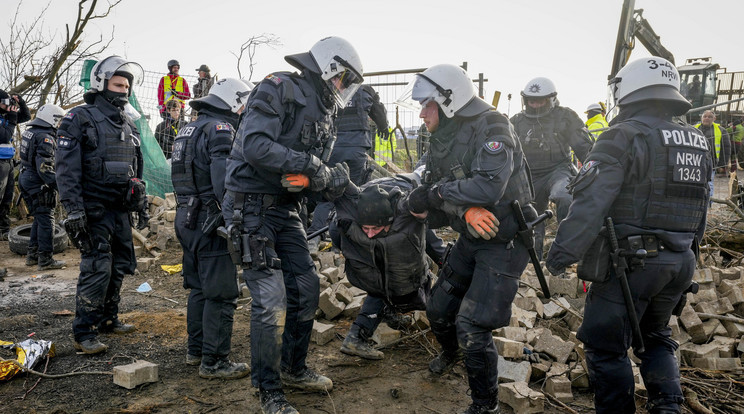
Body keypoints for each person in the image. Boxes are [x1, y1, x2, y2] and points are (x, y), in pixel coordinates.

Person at [546, 57, 712, 414]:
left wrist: (560, 253)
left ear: (627, 92)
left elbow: (590, 204)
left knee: (606, 349)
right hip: (680, 262)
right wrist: (689, 253)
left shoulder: (622, 135)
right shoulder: (697, 140)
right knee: (655, 336)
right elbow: (702, 208)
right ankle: (668, 407)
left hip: (632, 265)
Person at [222, 36, 363, 414]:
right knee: (270, 301)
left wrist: (321, 177)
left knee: (307, 286)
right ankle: (269, 391)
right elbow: (255, 145)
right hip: (249, 206)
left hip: (286, 210)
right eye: (344, 78)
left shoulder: (326, 111)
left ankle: (293, 369)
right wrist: (310, 167)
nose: (344, 88)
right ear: (329, 68)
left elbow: (310, 174)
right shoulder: (278, 87)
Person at [404, 64, 535, 414]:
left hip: (504, 239)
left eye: (426, 105)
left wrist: (435, 194)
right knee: (438, 308)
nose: (421, 113)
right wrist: (439, 203)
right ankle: (451, 353)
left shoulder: (493, 125)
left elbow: (489, 187)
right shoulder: (441, 137)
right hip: (470, 236)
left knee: (473, 325)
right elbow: (437, 200)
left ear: (448, 101)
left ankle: (484, 405)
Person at [56, 55, 149, 355]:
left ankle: (109, 318)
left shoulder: (129, 123)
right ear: (101, 83)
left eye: (126, 86)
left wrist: (141, 202)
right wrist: (74, 209)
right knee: (97, 267)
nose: (123, 90)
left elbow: (138, 168)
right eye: (118, 83)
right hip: (92, 208)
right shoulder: (78, 118)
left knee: (120, 264)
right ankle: (84, 332)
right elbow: (66, 169)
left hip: (120, 208)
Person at [171, 78, 253, 379]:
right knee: (220, 293)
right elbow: (224, 182)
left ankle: (197, 351)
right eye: (243, 104)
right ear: (234, 102)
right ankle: (215, 361)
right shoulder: (221, 129)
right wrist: (234, 217)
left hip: (185, 216)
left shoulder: (188, 129)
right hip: (209, 221)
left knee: (199, 290)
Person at [330, 176, 431, 360]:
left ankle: (389, 314)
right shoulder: (354, 212)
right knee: (382, 286)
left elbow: (427, 239)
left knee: (397, 280)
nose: (368, 234)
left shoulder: (408, 212)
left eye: (375, 228)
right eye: (365, 228)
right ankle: (356, 337)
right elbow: (335, 232)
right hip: (378, 276)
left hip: (400, 270)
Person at [510, 77, 594, 259]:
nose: (536, 105)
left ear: (551, 99)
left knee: (564, 197)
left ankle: (567, 251)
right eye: (532, 100)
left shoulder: (565, 117)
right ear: (525, 100)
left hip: (558, 170)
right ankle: (535, 261)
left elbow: (584, 149)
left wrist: (593, 173)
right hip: (528, 175)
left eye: (541, 100)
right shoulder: (516, 122)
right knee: (530, 218)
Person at [306, 84, 390, 248]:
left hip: (331, 149)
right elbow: (379, 113)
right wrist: (384, 127)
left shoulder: (329, 89)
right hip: (356, 149)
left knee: (329, 192)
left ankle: (313, 239)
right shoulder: (365, 91)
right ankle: (347, 240)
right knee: (354, 194)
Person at [19, 104, 67, 270]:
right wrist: (61, 187)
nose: (60, 124)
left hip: (26, 178)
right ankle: (46, 260)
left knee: (39, 218)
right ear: (52, 119)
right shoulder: (45, 137)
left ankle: (32, 255)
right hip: (38, 182)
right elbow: (44, 168)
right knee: (47, 220)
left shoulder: (30, 131)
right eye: (59, 120)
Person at [0, 89, 31, 239]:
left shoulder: (6, 116)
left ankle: (4, 229)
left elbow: (26, 116)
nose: (8, 106)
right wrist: (12, 118)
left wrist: (21, 102)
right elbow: (4, 136)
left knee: (7, 198)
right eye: (5, 103)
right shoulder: (8, 118)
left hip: (8, 162)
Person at [695, 110, 730, 175]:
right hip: (695, 162)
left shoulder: (721, 130)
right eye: (705, 116)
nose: (707, 118)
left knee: (709, 183)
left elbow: (726, 149)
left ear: (714, 118)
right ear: (701, 118)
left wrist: (722, 165)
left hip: (711, 164)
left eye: (710, 117)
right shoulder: (694, 128)